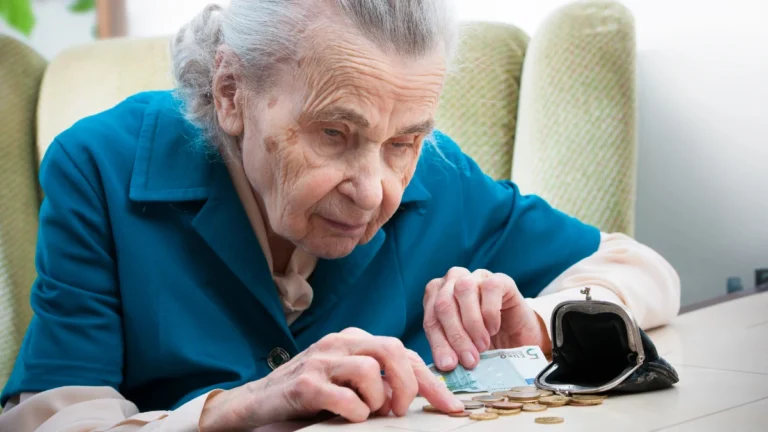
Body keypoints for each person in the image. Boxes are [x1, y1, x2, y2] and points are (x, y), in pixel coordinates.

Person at [0, 1, 680, 431]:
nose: (374, 190)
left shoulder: (437, 176)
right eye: (333, 133)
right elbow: (50, 414)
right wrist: (233, 409)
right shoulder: (100, 163)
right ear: (231, 92)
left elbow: (642, 268)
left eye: (404, 141)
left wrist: (532, 316)